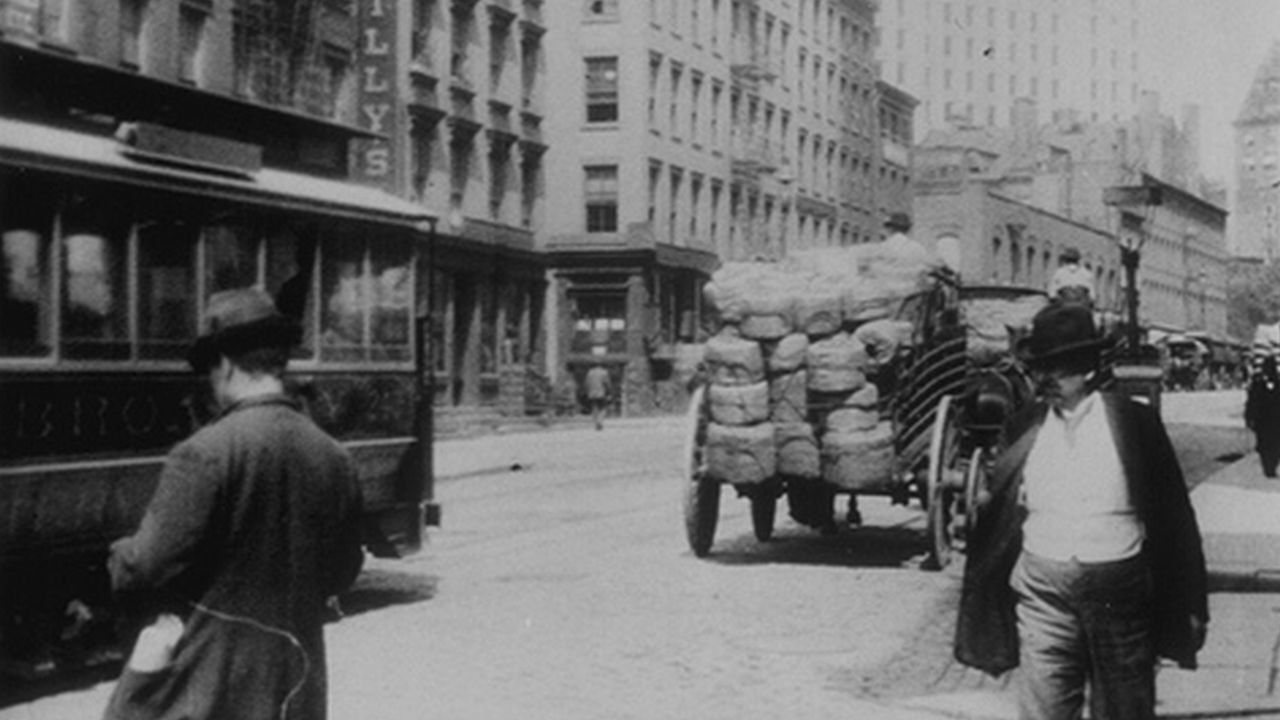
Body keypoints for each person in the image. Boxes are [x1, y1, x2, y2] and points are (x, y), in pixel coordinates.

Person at [103, 287, 364, 720]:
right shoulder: (333, 455)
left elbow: (145, 567)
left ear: (223, 365)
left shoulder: (204, 452)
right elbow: (342, 571)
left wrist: (118, 555)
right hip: (294, 688)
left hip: (209, 688)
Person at [955, 301, 1208, 720]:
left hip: (1120, 593)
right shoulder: (1024, 425)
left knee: (1124, 708)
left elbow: (1174, 517)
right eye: (1040, 368)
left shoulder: (1133, 423)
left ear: (1088, 366)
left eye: (1060, 367)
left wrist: (1192, 602)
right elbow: (999, 511)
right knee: (1043, 709)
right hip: (1042, 594)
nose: (1046, 378)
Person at [1245, 353, 1280, 478]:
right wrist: (1249, 418)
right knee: (1264, 446)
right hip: (1263, 422)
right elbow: (1251, 403)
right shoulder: (1258, 383)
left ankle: (1272, 466)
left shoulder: (1278, 384)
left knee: (1276, 445)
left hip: (1276, 422)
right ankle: (1268, 468)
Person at [584, 363, 613, 431]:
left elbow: (586, 383)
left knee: (594, 407)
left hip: (591, 393)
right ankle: (600, 421)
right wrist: (609, 392)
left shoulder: (589, 373)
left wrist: (587, 391)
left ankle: (596, 422)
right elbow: (607, 383)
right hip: (601, 393)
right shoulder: (604, 372)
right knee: (603, 408)